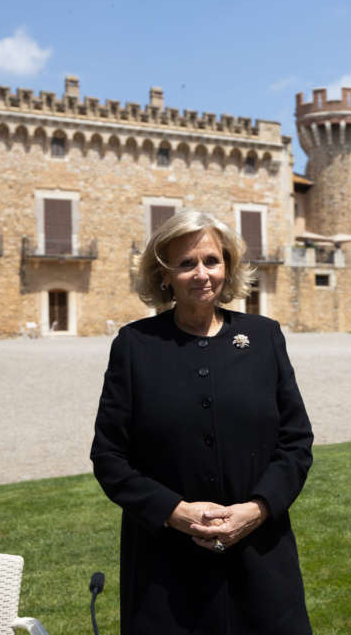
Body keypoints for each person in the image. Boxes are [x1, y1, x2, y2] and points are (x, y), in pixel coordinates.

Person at [91, 210, 313, 635]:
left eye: (211, 260)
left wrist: (257, 509)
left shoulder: (264, 337)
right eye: (186, 263)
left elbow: (296, 443)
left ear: (228, 266)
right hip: (166, 570)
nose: (201, 274)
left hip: (260, 558)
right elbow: (109, 458)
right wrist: (176, 513)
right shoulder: (135, 346)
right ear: (164, 274)